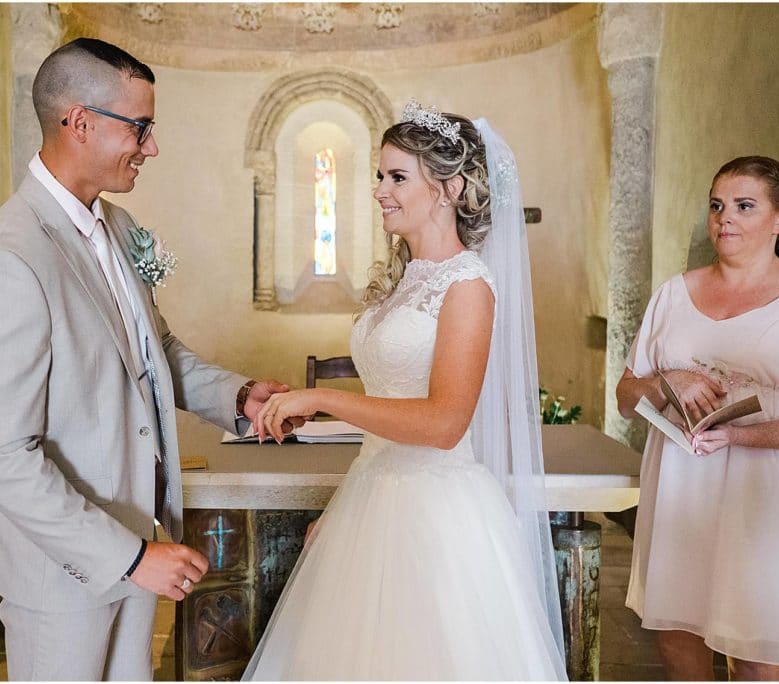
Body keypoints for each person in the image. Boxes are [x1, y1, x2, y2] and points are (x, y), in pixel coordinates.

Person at [0, 38, 297, 681]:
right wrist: (132, 557)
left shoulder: (116, 227)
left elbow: (151, 351)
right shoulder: (10, 259)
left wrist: (236, 396)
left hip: (136, 535)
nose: (152, 146)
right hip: (65, 572)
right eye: (140, 127)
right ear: (78, 122)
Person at [241, 100, 567, 680]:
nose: (380, 190)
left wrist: (321, 399)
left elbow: (443, 425)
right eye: (378, 175)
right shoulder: (403, 279)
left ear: (448, 187)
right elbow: (390, 405)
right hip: (372, 496)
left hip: (438, 517)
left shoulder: (468, 284)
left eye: (397, 177)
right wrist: (344, 508)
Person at [616, 156, 779, 680]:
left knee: (755, 650)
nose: (725, 219)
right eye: (717, 206)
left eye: (744, 206)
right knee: (676, 640)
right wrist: (663, 382)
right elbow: (628, 397)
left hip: (764, 491)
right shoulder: (674, 294)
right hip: (680, 484)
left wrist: (739, 434)